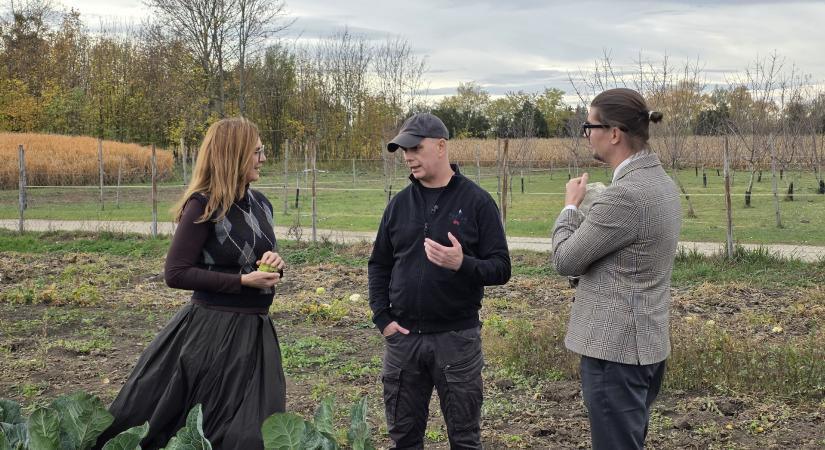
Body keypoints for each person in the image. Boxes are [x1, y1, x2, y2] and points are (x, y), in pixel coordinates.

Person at [95, 117, 286, 450]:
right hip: (213, 335)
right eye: (257, 152)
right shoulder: (203, 205)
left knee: (256, 429)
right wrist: (242, 280)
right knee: (203, 428)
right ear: (235, 154)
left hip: (256, 332)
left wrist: (274, 266)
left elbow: (256, 259)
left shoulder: (262, 204)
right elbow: (176, 272)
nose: (263, 159)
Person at [368, 112, 511, 450]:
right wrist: (382, 318)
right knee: (403, 438)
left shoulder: (476, 202)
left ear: (442, 146)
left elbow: (501, 268)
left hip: (456, 340)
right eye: (403, 151)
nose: (408, 157)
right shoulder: (399, 205)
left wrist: (462, 263)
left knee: (464, 438)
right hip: (404, 342)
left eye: (415, 148)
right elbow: (379, 264)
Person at [551, 88, 681, 450]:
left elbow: (565, 260)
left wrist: (570, 208)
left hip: (615, 352)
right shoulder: (663, 185)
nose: (587, 133)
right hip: (647, 346)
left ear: (614, 133)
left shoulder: (625, 196)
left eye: (589, 125)